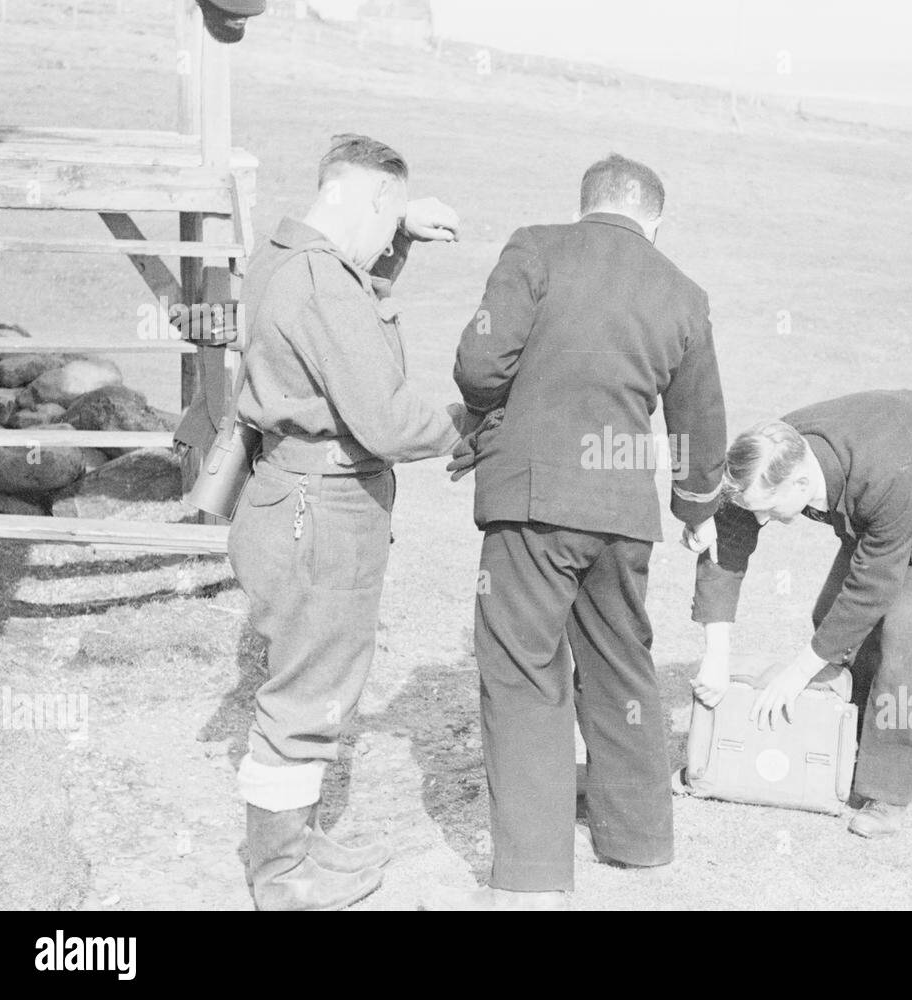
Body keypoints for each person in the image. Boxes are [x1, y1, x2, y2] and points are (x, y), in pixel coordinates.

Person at [427, 154, 727, 909]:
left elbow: (479, 364)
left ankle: (531, 877)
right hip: (624, 516)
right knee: (623, 664)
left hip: (534, 502)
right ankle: (640, 839)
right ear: (655, 219)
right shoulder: (685, 295)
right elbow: (700, 424)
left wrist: (495, 406)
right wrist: (695, 511)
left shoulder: (536, 247)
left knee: (526, 672)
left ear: (586, 202)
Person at [228, 133, 469, 910]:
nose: (385, 238)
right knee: (305, 701)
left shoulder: (277, 253)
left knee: (306, 683)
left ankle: (292, 845)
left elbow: (340, 314)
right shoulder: (324, 286)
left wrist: (396, 239)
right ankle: (280, 877)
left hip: (285, 495)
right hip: (321, 510)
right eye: (388, 217)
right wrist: (476, 426)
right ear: (368, 197)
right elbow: (389, 420)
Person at [687, 390, 912, 838]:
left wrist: (796, 673)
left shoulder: (883, 474)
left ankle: (887, 790)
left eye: (767, 508)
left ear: (802, 485)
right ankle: (849, 744)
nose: (760, 518)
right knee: (831, 618)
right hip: (893, 497)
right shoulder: (768, 457)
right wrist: (716, 655)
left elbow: (873, 586)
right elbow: (728, 541)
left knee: (903, 639)